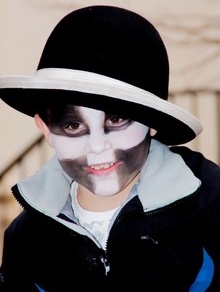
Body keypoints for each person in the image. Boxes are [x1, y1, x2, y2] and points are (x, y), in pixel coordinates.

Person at [0, 5, 219, 291]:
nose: (97, 146)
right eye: (72, 126)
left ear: (152, 122)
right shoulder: (27, 237)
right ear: (45, 129)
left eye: (116, 119)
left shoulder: (209, 204)